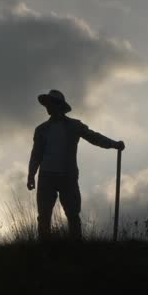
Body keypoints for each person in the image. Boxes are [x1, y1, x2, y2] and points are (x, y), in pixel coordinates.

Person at [27, 90, 124, 241]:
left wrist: (114, 144)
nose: (47, 107)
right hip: (46, 176)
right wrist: (31, 175)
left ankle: (76, 247)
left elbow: (94, 137)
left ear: (59, 106)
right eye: (46, 104)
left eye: (50, 103)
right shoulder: (42, 130)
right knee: (44, 216)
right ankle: (45, 249)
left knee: (72, 214)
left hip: (68, 175)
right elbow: (36, 154)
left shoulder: (74, 126)